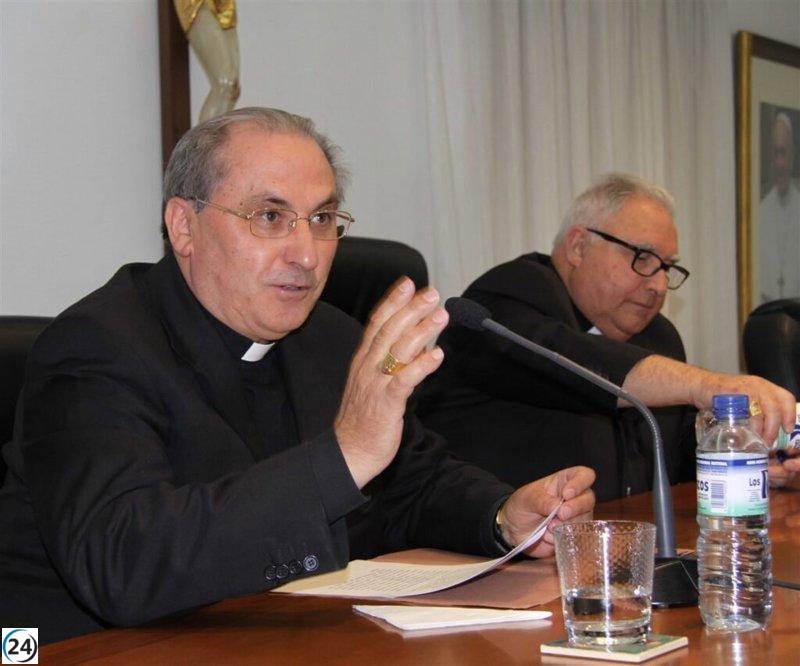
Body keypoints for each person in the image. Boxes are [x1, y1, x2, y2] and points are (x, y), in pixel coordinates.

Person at [0, 108, 595, 645]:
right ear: (184, 226)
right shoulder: (96, 348)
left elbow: (410, 482)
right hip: (67, 649)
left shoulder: (329, 339)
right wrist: (345, 455)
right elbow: (123, 564)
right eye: (270, 217)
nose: (308, 253)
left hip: (265, 640)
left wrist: (502, 516)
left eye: (322, 218)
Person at [418, 173, 798, 501]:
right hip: (482, 552)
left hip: (618, 551)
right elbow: (573, 360)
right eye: (643, 258)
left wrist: (744, 460)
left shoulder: (658, 337)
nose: (659, 285)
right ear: (579, 247)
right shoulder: (510, 293)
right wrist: (708, 383)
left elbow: (681, 461)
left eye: (668, 267)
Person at [173, 0, 240, 122]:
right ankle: (205, 140)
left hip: (224, 6)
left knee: (233, 89)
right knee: (225, 83)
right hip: (198, 4)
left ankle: (221, 138)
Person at [758, 112, 800, 303]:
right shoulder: (762, 212)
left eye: (783, 152)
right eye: (776, 153)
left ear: (792, 155)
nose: (780, 163)